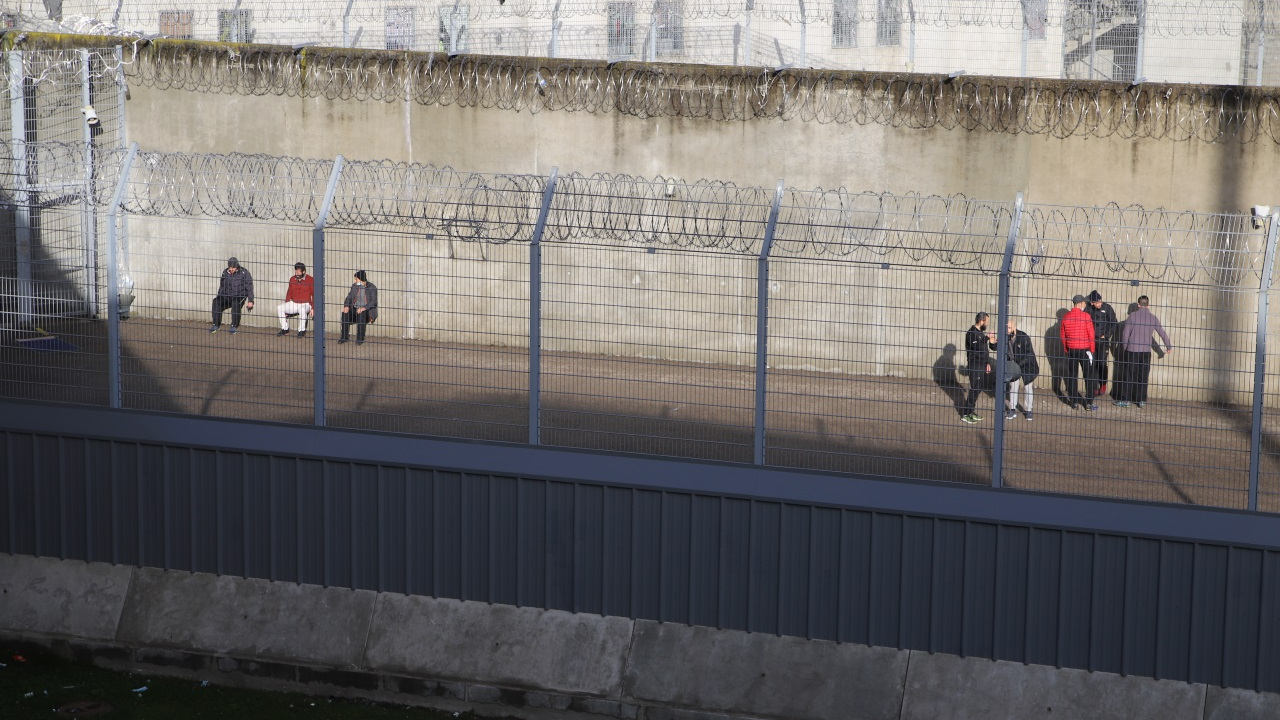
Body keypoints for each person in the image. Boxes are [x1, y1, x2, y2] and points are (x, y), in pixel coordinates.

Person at [1115, 295, 1173, 408]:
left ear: (1138, 305)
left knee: (1129, 376)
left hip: (1132, 350)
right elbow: (1162, 332)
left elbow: (1125, 334)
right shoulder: (1153, 318)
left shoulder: (1132, 316)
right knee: (1143, 376)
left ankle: (1125, 400)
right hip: (1146, 352)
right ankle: (1141, 400)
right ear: (1148, 305)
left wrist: (1125, 347)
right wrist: (1168, 346)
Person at [1060, 294, 1097, 410]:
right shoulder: (1086, 316)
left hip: (1072, 350)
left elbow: (1063, 336)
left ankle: (1074, 401)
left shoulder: (1066, 317)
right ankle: (1089, 402)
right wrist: (1092, 350)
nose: (1085, 305)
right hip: (1085, 349)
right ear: (1080, 303)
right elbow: (1091, 334)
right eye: (1084, 304)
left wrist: (1067, 348)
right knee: (1089, 375)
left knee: (1072, 376)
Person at [960, 312, 996, 424]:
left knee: (978, 389)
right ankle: (965, 414)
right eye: (987, 322)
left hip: (982, 365)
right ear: (981, 321)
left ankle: (971, 411)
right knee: (974, 389)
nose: (988, 324)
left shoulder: (980, 334)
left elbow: (984, 351)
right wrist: (986, 338)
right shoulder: (971, 333)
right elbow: (976, 347)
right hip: (975, 365)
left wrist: (987, 363)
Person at [1084, 289, 1117, 397]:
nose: (1099, 304)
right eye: (1097, 302)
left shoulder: (1107, 308)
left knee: (1102, 363)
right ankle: (1093, 387)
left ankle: (1102, 384)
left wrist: (1106, 335)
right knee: (1092, 364)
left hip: (1103, 341)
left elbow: (1113, 323)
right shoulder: (1088, 309)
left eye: (1100, 302)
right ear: (1092, 303)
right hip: (1091, 341)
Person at [1006, 318, 1040, 421]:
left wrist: (1018, 365)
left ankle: (1028, 410)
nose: (1007, 330)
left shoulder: (1024, 337)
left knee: (1028, 387)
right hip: (1014, 365)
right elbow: (996, 347)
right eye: (1006, 327)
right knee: (1013, 386)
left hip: (1027, 365)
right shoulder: (1005, 337)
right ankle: (1012, 409)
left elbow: (1029, 354)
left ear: (1014, 328)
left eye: (1009, 328)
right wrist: (992, 343)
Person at [210, 257, 254, 334]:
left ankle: (234, 325)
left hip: (239, 296)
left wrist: (250, 301)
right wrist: (219, 295)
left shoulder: (244, 272)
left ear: (237, 266)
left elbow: (249, 287)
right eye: (230, 267)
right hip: (227, 295)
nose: (232, 269)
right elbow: (222, 286)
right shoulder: (225, 272)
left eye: (233, 267)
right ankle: (216, 325)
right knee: (216, 301)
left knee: (235, 303)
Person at [339, 270, 378, 345]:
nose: (355, 280)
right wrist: (346, 306)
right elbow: (349, 297)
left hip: (367, 311)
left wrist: (364, 308)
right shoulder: (354, 286)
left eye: (356, 279)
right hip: (355, 309)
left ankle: (360, 338)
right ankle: (344, 337)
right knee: (345, 313)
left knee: (361, 313)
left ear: (361, 279)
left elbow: (373, 302)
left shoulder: (372, 287)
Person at [277, 261, 315, 338]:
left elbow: (314, 294)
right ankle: (285, 329)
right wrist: (287, 304)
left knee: (302, 309)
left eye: (298, 272)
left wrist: (313, 308)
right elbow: (289, 292)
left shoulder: (310, 280)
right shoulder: (292, 279)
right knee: (280, 307)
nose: (296, 274)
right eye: (296, 272)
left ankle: (301, 330)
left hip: (306, 303)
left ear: (304, 272)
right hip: (295, 303)